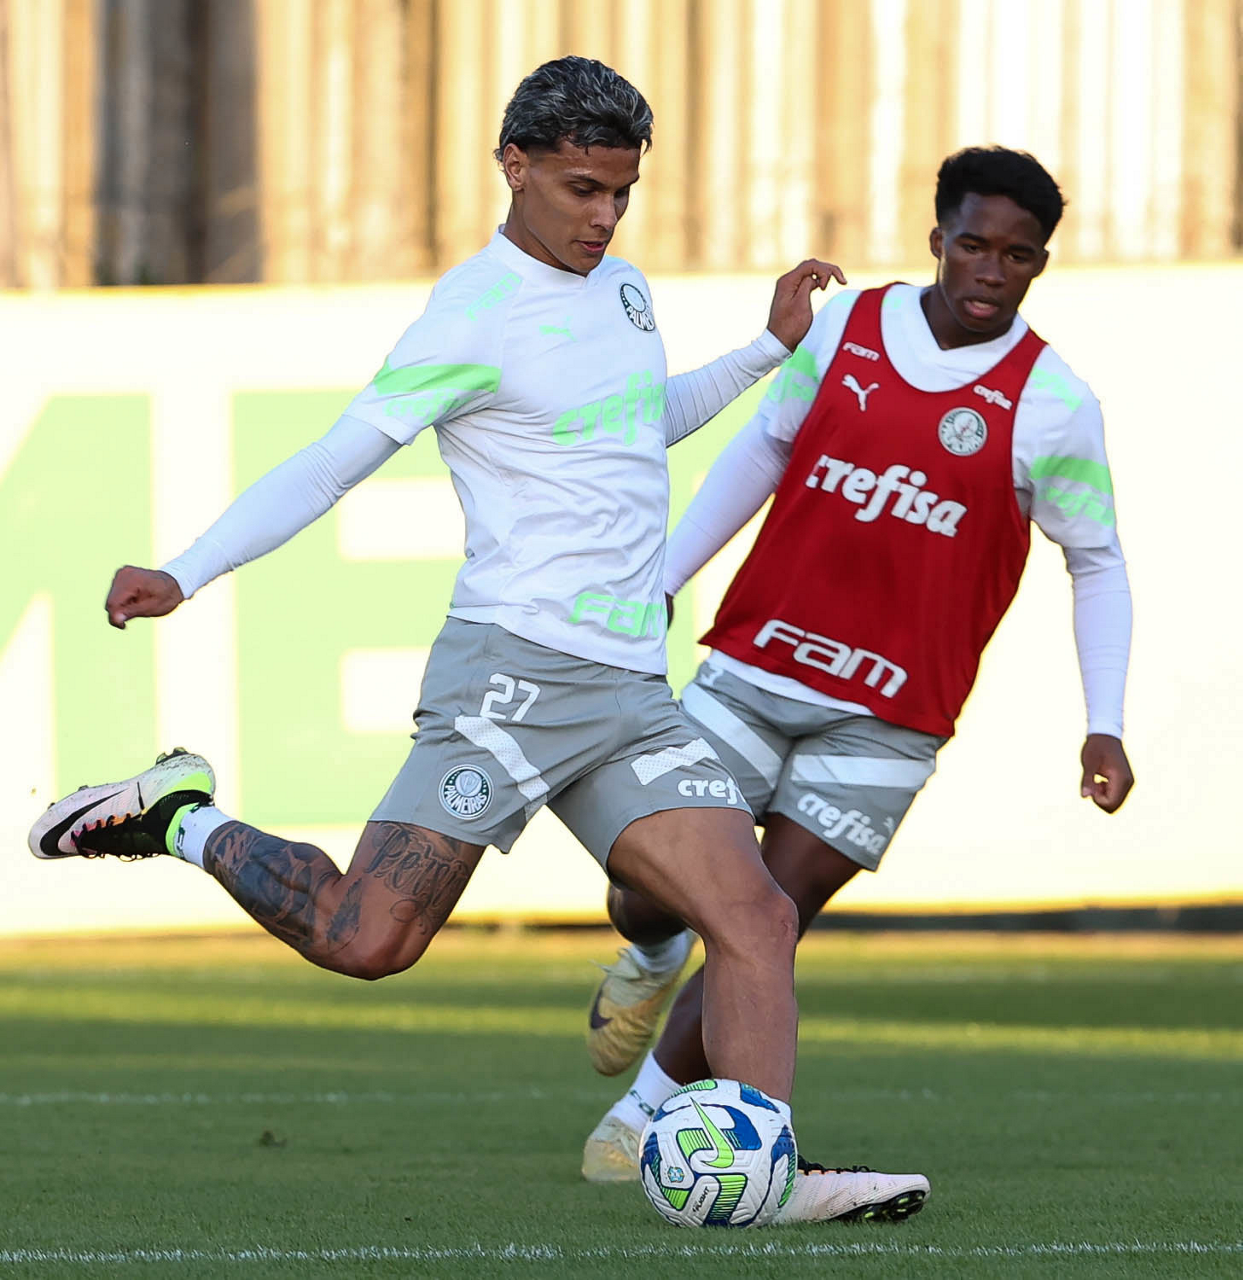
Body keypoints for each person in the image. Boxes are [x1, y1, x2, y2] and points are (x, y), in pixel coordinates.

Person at [29, 57, 928, 1224]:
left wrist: (766, 348)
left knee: (754, 917)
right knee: (366, 940)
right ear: (513, 165)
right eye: (581, 189)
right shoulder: (471, 315)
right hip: (513, 678)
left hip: (627, 695)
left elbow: (634, 422)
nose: (603, 216)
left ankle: (764, 1175)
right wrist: (185, 568)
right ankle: (178, 813)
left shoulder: (623, 290)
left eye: (621, 192)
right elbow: (334, 461)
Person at [581, 145, 1134, 1187]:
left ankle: (639, 1114)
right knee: (646, 887)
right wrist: (661, 579)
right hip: (753, 666)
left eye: (1016, 255)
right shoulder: (846, 328)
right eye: (972, 244)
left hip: (891, 714)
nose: (990, 270)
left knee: (768, 918)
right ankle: (650, 950)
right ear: (937, 239)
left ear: (1038, 264)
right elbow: (763, 448)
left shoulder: (1054, 402)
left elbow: (1096, 560)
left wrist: (1102, 720)